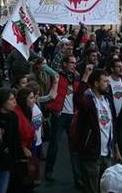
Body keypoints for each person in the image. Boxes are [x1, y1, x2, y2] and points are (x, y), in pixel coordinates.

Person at [72, 66, 121, 193]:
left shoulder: (107, 100)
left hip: (107, 154)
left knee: (105, 188)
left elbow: (112, 126)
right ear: (96, 84)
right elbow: (77, 100)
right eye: (105, 81)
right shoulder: (89, 101)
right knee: (92, 188)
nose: (108, 84)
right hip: (92, 154)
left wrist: (116, 149)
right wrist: (85, 76)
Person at [44, 54, 83, 184]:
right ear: (65, 64)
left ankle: (78, 177)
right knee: (54, 144)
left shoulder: (76, 77)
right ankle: (49, 170)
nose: (74, 65)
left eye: (75, 63)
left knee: (75, 147)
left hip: (72, 115)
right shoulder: (57, 75)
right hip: (59, 115)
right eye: (71, 63)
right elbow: (47, 66)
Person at [11, 87, 38, 192]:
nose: (34, 100)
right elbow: (14, 134)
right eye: (31, 98)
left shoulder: (27, 111)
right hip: (19, 154)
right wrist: (22, 147)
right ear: (24, 99)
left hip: (28, 150)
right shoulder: (16, 114)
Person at [107, 59, 122, 160]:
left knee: (121, 146)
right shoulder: (107, 83)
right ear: (112, 69)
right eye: (118, 66)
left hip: (121, 120)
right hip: (108, 119)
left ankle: (121, 167)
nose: (121, 68)